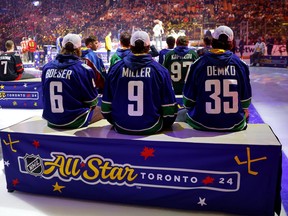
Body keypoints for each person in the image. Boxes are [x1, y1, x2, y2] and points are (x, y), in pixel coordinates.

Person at [101, 30, 178, 135]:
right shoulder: (160, 71)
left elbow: (105, 108)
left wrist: (116, 122)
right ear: (148, 47)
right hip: (152, 125)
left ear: (131, 46)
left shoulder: (115, 69)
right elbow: (170, 111)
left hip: (121, 125)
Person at [183, 25, 252, 132]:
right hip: (234, 123)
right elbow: (245, 102)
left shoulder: (198, 64)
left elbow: (188, 100)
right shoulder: (241, 65)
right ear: (232, 43)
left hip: (201, 122)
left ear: (212, 42)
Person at [41, 33, 103, 129]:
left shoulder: (46, 67)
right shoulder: (83, 69)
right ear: (79, 48)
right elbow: (92, 101)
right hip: (75, 119)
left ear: (62, 46)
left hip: (51, 120)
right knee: (103, 110)